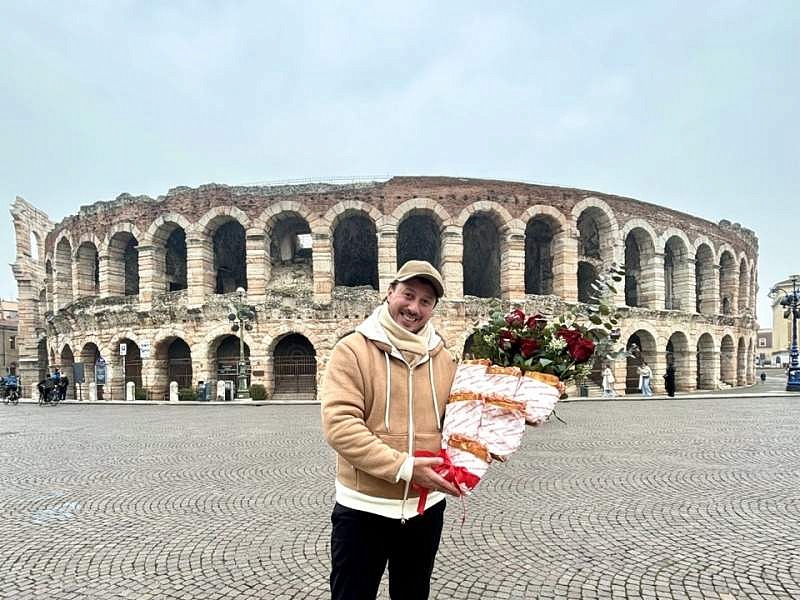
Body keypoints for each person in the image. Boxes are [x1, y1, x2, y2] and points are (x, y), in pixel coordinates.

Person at [321, 260, 459, 600]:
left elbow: (460, 420)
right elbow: (340, 426)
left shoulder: (445, 359)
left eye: (425, 301)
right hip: (363, 507)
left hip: (424, 509)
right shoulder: (352, 350)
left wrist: (507, 416)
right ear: (390, 292)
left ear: (433, 308)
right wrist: (405, 467)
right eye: (408, 295)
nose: (414, 307)